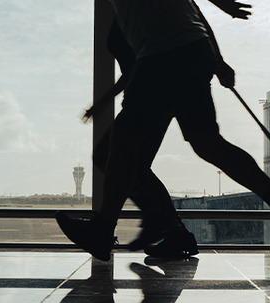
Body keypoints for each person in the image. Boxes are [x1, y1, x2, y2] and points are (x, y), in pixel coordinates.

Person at [57, 0, 270, 262]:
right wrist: (215, 58)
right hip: (188, 52)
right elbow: (189, 7)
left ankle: (102, 229)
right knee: (206, 142)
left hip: (165, 55)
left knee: (123, 143)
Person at [84, 18, 198, 259]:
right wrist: (104, 100)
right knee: (137, 166)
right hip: (155, 93)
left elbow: (142, 63)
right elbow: (133, 67)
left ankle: (158, 222)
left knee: (109, 156)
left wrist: (105, 101)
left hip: (150, 95)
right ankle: (174, 231)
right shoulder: (127, 11)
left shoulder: (134, 10)